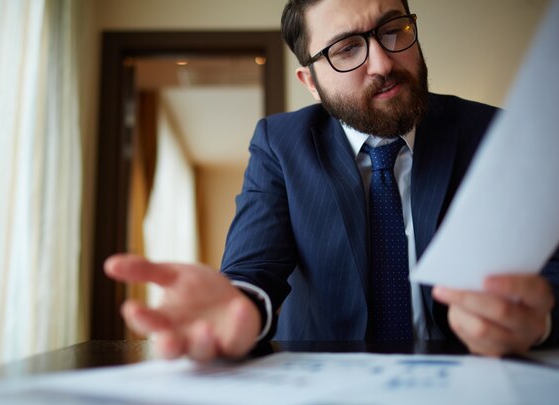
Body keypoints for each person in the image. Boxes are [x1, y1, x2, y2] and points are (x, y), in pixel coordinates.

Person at [104, 0, 559, 362]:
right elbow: (253, 270)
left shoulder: (494, 133)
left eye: (393, 29)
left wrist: (538, 322)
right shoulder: (280, 144)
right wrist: (240, 303)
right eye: (346, 49)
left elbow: (550, 271)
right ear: (310, 82)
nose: (381, 62)